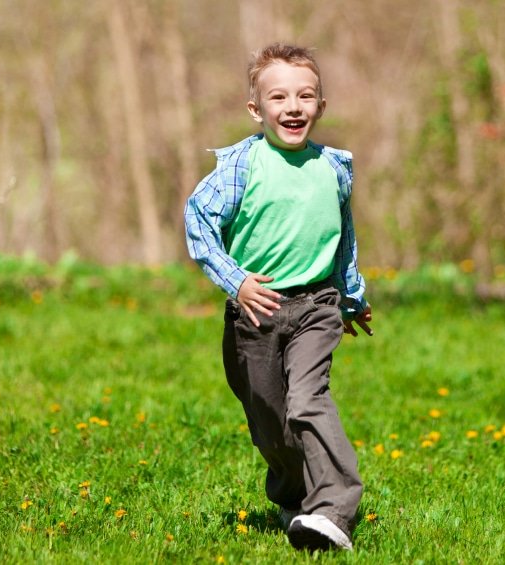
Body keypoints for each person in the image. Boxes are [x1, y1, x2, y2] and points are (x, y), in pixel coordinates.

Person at [184, 43, 373, 551]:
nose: (293, 107)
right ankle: (296, 496)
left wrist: (351, 298)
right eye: (279, 97)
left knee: (307, 401)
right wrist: (237, 281)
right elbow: (197, 220)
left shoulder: (332, 168)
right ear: (256, 110)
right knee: (268, 419)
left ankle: (335, 507)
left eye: (305, 96)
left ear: (320, 107)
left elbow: (343, 237)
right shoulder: (240, 168)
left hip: (316, 306)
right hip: (256, 311)